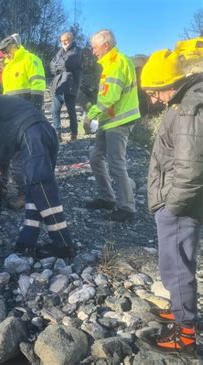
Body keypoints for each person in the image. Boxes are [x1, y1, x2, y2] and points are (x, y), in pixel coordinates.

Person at [139, 47, 202, 355]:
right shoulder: (184, 102)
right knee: (174, 261)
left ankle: (185, 334)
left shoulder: (190, 107)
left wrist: (171, 205)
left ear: (167, 85)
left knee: (176, 265)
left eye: (153, 92)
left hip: (178, 203)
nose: (153, 99)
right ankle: (181, 311)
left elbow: (191, 168)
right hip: (173, 200)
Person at [0, 95, 75, 258]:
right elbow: (7, 145)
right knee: (34, 189)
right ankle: (27, 242)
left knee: (41, 187)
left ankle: (63, 245)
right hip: (47, 132)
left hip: (32, 134)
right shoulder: (9, 109)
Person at [83, 29, 140, 222]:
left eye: (94, 47)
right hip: (109, 122)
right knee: (95, 158)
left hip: (119, 122)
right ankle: (107, 198)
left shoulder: (117, 62)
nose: (93, 51)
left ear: (105, 45)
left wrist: (90, 116)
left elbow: (111, 96)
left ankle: (127, 208)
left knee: (116, 164)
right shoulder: (109, 63)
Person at [0, 33, 46, 110]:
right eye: (3, 52)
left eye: (6, 50)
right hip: (12, 109)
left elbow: (38, 82)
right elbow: (6, 90)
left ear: (14, 45)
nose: (5, 54)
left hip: (29, 106)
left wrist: (37, 102)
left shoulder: (29, 59)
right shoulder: (7, 67)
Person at [50, 31, 82, 141]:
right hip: (58, 85)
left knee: (71, 111)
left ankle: (74, 133)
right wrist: (59, 66)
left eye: (66, 41)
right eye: (62, 41)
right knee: (54, 110)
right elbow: (51, 66)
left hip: (70, 86)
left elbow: (67, 63)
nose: (64, 43)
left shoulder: (77, 51)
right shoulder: (60, 52)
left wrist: (58, 65)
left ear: (71, 40)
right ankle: (57, 133)